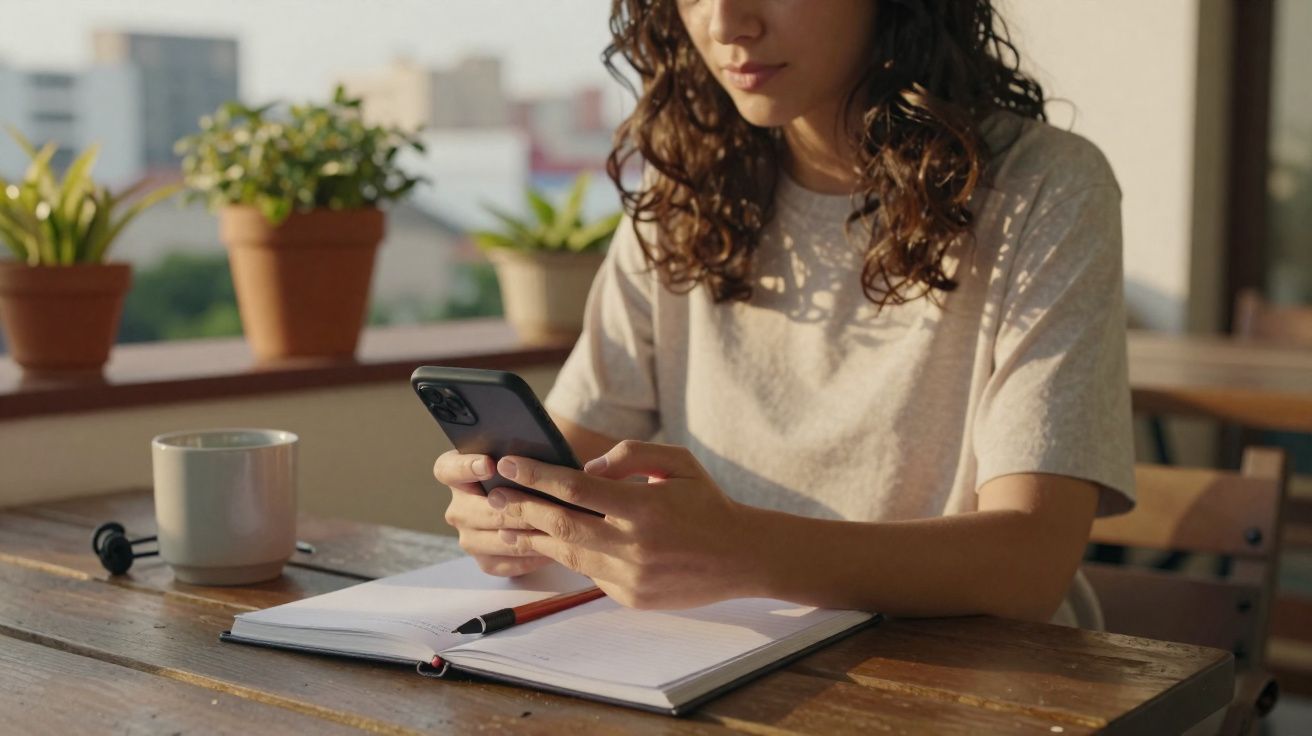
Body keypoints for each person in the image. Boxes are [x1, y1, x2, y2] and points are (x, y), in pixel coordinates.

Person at [434, 0, 1134, 628]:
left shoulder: (1047, 189)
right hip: (723, 669)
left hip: (982, 684)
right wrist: (508, 510)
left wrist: (740, 550)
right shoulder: (684, 194)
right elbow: (571, 451)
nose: (727, 23)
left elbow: (1030, 564)